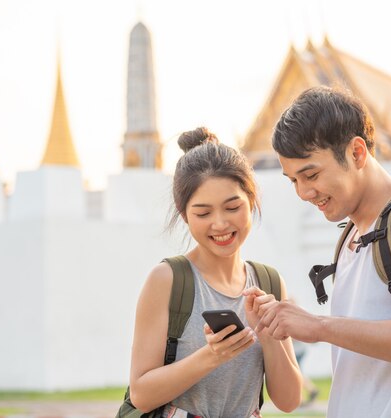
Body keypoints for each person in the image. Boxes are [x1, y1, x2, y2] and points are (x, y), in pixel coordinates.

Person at [256, 86, 391, 417]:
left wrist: (319, 326)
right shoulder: (352, 234)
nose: (303, 192)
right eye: (292, 180)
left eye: (310, 174)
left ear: (357, 153)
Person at [128, 127, 302, 417]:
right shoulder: (167, 280)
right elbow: (141, 395)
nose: (220, 224)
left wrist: (269, 334)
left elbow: (289, 400)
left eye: (232, 207)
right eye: (203, 213)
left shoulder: (268, 283)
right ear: (184, 215)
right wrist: (212, 355)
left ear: (251, 199)